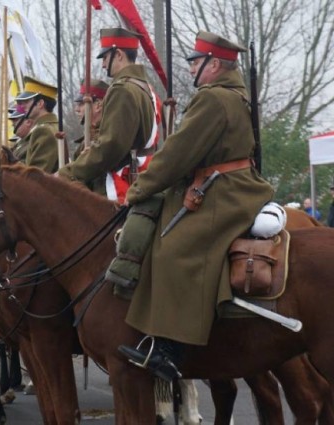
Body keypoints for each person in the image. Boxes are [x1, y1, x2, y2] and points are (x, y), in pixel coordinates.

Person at [117, 31, 275, 381]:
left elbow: (177, 154)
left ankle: (170, 351)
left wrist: (140, 188)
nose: (190, 70)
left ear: (214, 64)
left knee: (174, 249)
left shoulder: (214, 99)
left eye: (195, 63)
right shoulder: (233, 96)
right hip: (229, 185)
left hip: (226, 191)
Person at [58, 28, 160, 203]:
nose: (103, 64)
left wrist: (68, 174)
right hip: (145, 174)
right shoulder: (146, 88)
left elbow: (111, 146)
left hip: (123, 181)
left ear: (118, 54)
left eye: (105, 58)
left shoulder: (122, 89)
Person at [13, 76, 59, 173]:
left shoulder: (44, 131)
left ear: (40, 104)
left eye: (26, 101)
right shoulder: (46, 127)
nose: (22, 106)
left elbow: (35, 175)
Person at [71, 79, 109, 163]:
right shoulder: (91, 134)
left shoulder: (106, 136)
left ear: (98, 105)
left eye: (81, 103)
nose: (77, 109)